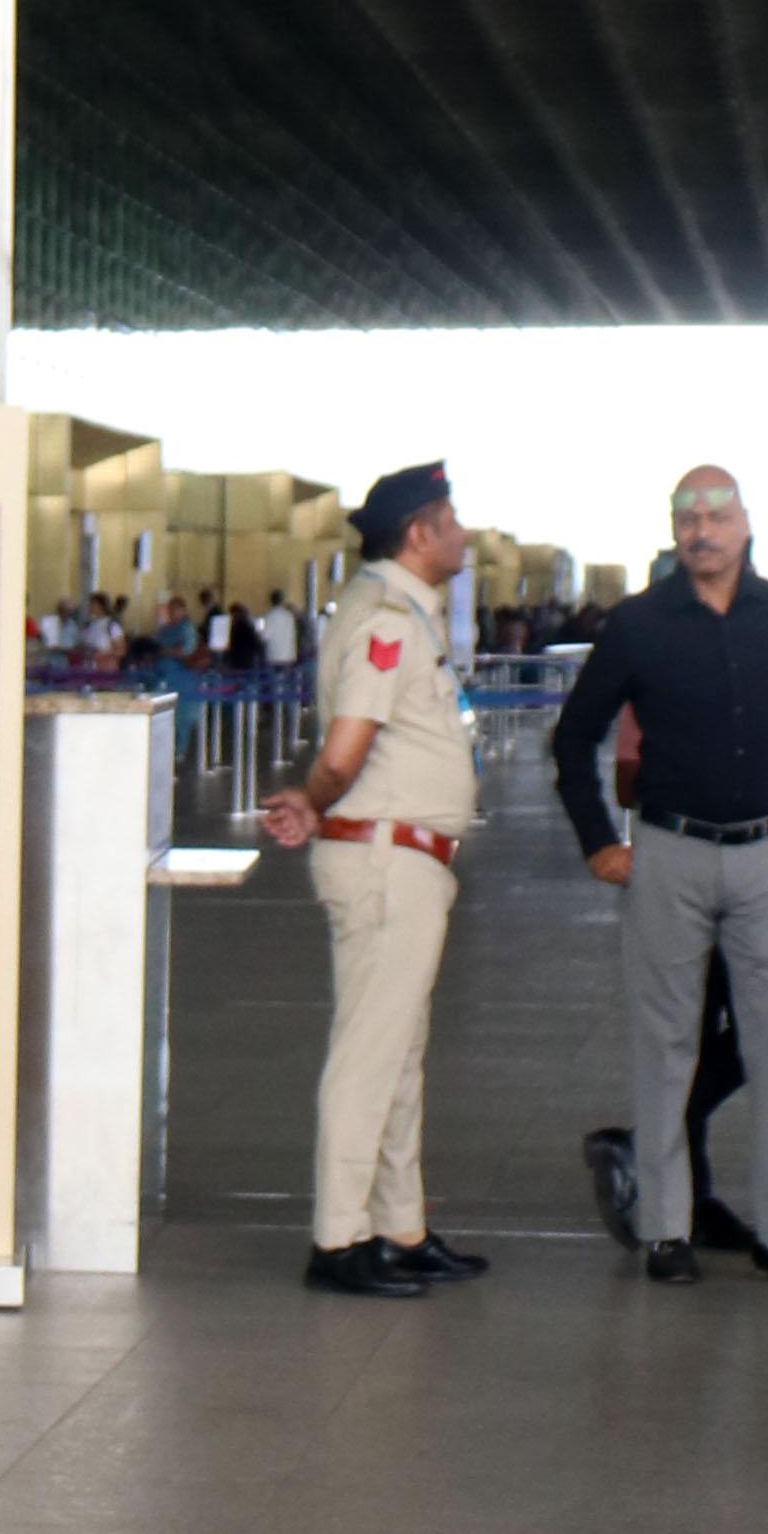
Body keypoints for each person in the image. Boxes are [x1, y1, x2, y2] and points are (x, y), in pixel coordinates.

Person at [549, 465, 768, 1289]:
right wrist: (597, 842)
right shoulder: (639, 625)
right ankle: (665, 1230)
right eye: (686, 516)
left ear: (744, 524)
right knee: (665, 1046)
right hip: (671, 854)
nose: (702, 529)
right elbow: (574, 736)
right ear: (673, 529)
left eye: (716, 513)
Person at [256, 461, 486, 1296]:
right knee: (370, 1053)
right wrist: (313, 799)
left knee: (400, 1052)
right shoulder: (387, 619)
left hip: (408, 858)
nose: (464, 534)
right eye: (452, 520)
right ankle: (340, 1239)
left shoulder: (402, 612)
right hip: (386, 858)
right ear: (420, 534)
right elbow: (350, 744)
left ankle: (399, 1224)